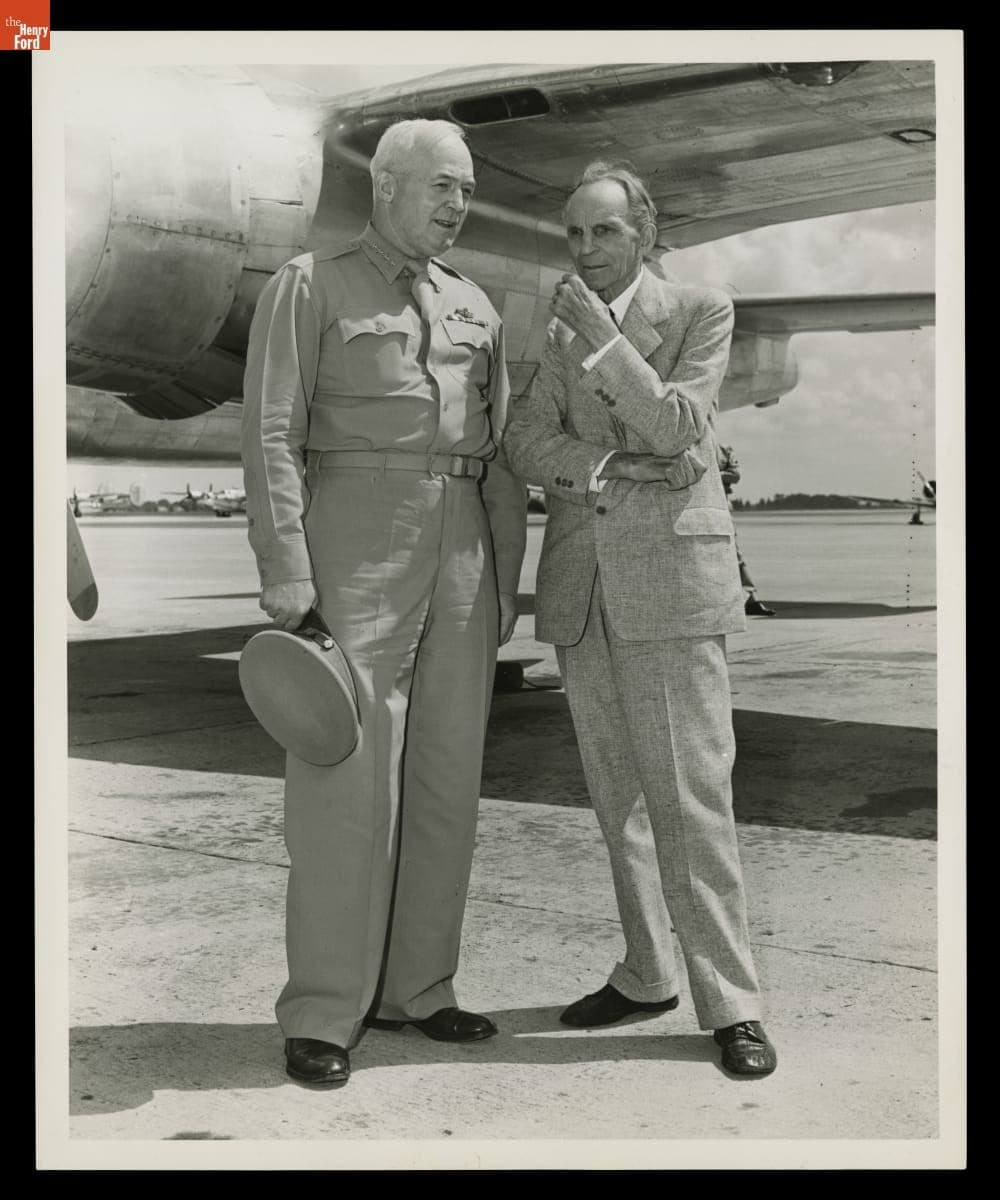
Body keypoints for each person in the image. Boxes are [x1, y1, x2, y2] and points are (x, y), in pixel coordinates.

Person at [241, 119, 527, 1088]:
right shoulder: (309, 287)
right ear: (387, 188)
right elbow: (272, 432)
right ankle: (325, 1010)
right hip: (356, 534)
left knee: (448, 778)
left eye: (468, 188)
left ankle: (419, 991)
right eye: (443, 185)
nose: (458, 204)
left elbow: (498, 462)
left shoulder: (476, 306)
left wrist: (502, 584)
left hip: (463, 552)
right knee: (346, 782)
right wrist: (285, 566)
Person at [504, 160, 777, 1076]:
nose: (587, 251)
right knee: (617, 801)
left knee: (692, 800)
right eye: (574, 235)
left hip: (669, 589)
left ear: (646, 233)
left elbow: (680, 431)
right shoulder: (559, 325)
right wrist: (613, 468)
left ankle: (732, 1001)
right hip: (584, 592)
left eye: (605, 232)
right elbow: (524, 441)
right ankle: (648, 971)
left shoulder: (701, 309)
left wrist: (603, 345)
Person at [717, 443, 776, 616]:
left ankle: (750, 598)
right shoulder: (692, 444)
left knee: (733, 553)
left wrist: (707, 474)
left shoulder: (723, 450)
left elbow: (735, 475)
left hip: (721, 507)